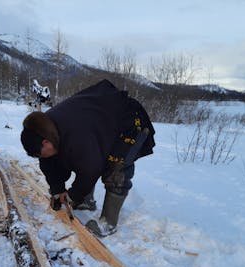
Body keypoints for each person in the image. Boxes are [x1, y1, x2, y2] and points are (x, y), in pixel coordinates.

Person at [20, 79, 155, 237]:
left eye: (40, 154)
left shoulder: (76, 136)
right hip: (100, 123)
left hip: (129, 121)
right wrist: (58, 190)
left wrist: (72, 196)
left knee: (116, 169)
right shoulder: (44, 129)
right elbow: (48, 162)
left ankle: (108, 222)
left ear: (46, 142)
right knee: (73, 157)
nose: (41, 158)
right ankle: (87, 201)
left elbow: (90, 169)